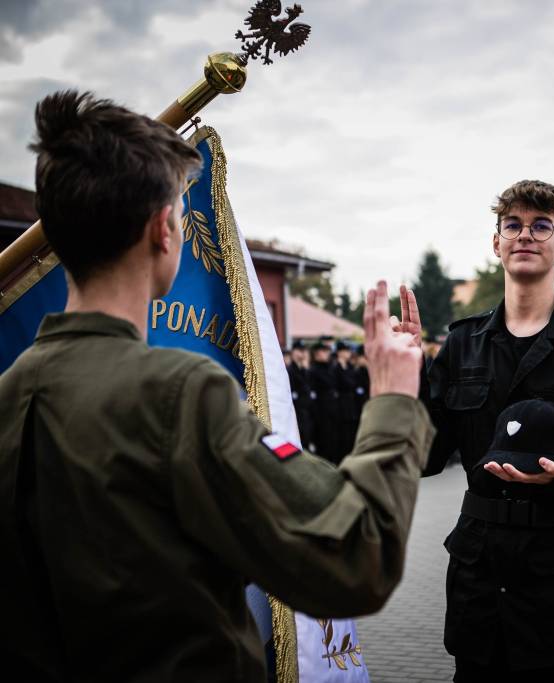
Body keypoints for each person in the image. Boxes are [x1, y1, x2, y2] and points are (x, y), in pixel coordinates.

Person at [0, 90, 433, 681]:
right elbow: (357, 556)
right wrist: (394, 399)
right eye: (180, 214)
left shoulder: (10, 392)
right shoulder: (179, 394)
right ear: (164, 230)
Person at [401, 179, 554, 682]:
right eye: (512, 225)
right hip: (482, 585)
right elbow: (424, 457)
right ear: (496, 244)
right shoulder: (464, 344)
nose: (525, 236)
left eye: (541, 226)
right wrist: (404, 380)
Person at [287, 338, 316, 450]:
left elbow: (308, 386)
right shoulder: (290, 370)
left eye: (303, 350)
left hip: (306, 410)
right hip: (297, 410)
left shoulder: (304, 369)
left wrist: (305, 368)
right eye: (299, 350)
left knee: (307, 439)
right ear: (293, 352)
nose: (302, 353)